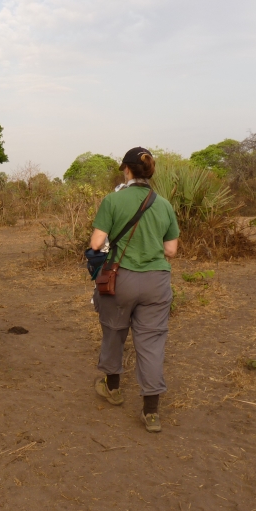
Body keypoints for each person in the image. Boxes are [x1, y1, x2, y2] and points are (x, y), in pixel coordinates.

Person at [88, 147, 180, 433]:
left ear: (126, 170)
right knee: (151, 343)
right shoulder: (164, 205)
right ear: (149, 171)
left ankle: (112, 388)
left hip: (120, 280)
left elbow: (96, 244)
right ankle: (151, 412)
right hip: (157, 282)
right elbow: (171, 250)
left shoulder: (113, 200)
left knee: (114, 331)